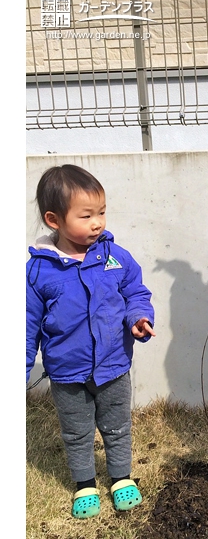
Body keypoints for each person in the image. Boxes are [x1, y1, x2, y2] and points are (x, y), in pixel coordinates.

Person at [26, 164, 156, 519]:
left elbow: (135, 292)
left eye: (101, 212)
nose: (98, 223)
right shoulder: (40, 271)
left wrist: (139, 318)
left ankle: (121, 478)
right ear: (54, 220)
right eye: (86, 216)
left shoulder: (114, 256)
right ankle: (85, 484)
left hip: (114, 364)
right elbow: (26, 325)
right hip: (68, 373)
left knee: (117, 425)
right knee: (77, 432)